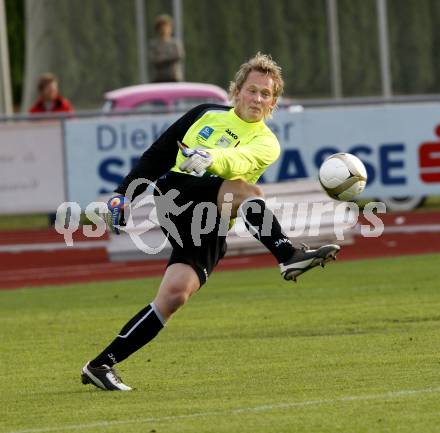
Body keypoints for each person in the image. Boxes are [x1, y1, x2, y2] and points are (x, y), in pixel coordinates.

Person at [81, 53, 340, 391]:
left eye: (265, 94)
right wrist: (122, 194)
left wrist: (210, 157)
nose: (257, 98)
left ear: (273, 101)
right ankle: (288, 256)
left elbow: (239, 158)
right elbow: (159, 153)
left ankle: (101, 365)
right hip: (176, 194)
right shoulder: (204, 113)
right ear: (237, 92)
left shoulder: (266, 142)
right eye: (252, 90)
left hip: (212, 220)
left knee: (175, 295)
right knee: (248, 191)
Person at [148, 14, 184, 83]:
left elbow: (178, 55)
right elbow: (154, 60)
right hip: (158, 79)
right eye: (161, 27)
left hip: (173, 78)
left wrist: (162, 57)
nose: (164, 29)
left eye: (166, 27)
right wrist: (169, 57)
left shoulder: (175, 43)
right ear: (157, 29)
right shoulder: (153, 44)